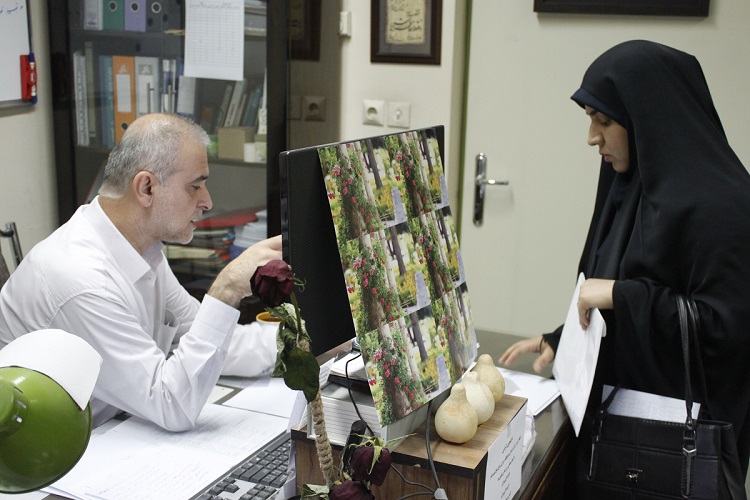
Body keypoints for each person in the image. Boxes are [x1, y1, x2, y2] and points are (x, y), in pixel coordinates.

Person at [500, 40, 750, 481]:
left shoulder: (722, 205)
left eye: (604, 121)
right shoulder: (632, 186)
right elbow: (610, 285)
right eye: (590, 119)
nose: (592, 137)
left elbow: (726, 332)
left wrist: (622, 296)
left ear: (647, 119)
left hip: (673, 454)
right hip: (618, 438)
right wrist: (565, 339)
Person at [0, 113, 281, 432]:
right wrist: (226, 289)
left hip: (113, 427)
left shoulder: (142, 250)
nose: (207, 201)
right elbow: (172, 405)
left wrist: (306, 342)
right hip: (60, 450)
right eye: (195, 186)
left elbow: (210, 342)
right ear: (146, 187)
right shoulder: (82, 278)